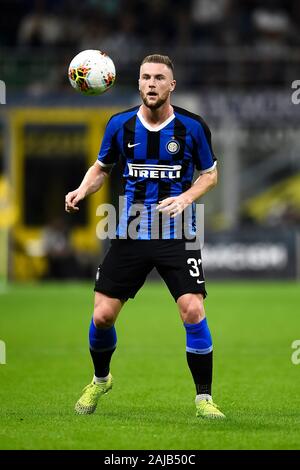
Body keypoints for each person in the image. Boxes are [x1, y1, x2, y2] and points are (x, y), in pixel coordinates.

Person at [65, 54, 225, 419]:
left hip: (177, 232)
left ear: (172, 85)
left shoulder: (192, 127)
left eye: (159, 78)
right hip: (131, 230)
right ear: (138, 84)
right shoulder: (120, 125)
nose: (151, 83)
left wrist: (185, 198)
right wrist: (80, 190)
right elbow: (101, 168)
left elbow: (210, 175)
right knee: (103, 316)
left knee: (193, 308)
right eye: (145, 78)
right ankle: (101, 379)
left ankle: (204, 399)